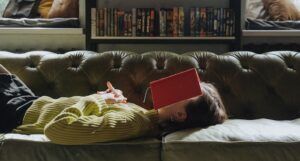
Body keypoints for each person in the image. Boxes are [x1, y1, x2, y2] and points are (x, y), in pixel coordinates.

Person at [0, 64, 227, 145]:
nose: (177, 83)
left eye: (185, 92)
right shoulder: (141, 116)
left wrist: (99, 99)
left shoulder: (133, 122)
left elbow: (58, 130)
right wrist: (113, 101)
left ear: (180, 115)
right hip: (32, 102)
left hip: (17, 112)